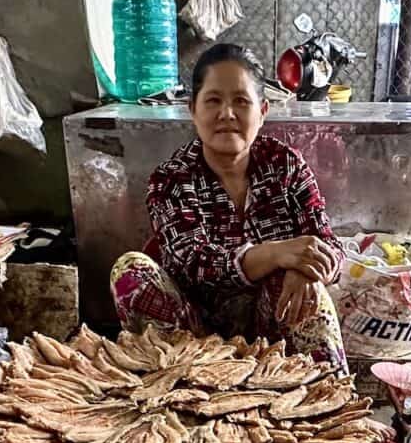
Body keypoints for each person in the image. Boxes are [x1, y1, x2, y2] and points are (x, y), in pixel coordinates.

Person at [110, 43, 348, 373]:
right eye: (213, 101)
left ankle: (332, 405)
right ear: (192, 109)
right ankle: (176, 393)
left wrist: (307, 266)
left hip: (273, 333)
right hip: (191, 337)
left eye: (241, 101)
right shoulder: (172, 180)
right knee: (129, 271)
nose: (227, 114)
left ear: (262, 111)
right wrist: (276, 253)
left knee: (309, 286)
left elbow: (329, 244)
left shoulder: (285, 165)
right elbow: (192, 263)